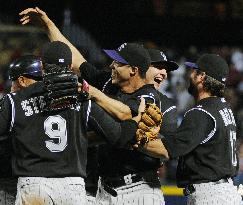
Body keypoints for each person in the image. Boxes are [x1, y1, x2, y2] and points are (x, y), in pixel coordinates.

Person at [19, 8, 178, 205]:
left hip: (138, 188)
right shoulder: (108, 83)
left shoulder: (149, 97)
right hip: (105, 188)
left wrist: (92, 93)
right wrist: (48, 25)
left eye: (118, 63)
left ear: (133, 71)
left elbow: (126, 114)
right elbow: (77, 62)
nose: (111, 65)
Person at [0, 41, 144, 205]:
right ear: (69, 66)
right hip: (72, 188)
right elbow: (119, 137)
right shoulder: (83, 100)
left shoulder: (14, 101)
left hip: (33, 184)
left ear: (42, 66)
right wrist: (135, 121)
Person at [138, 54, 242, 205]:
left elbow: (167, 150)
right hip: (224, 191)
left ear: (201, 77)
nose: (190, 74)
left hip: (211, 195)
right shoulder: (223, 107)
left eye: (194, 71)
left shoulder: (202, 111)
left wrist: (133, 137)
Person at [0, 55, 42, 205]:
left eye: (14, 81)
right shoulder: (58, 102)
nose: (12, 87)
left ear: (22, 81)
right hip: (60, 181)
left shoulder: (12, 103)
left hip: (14, 183)